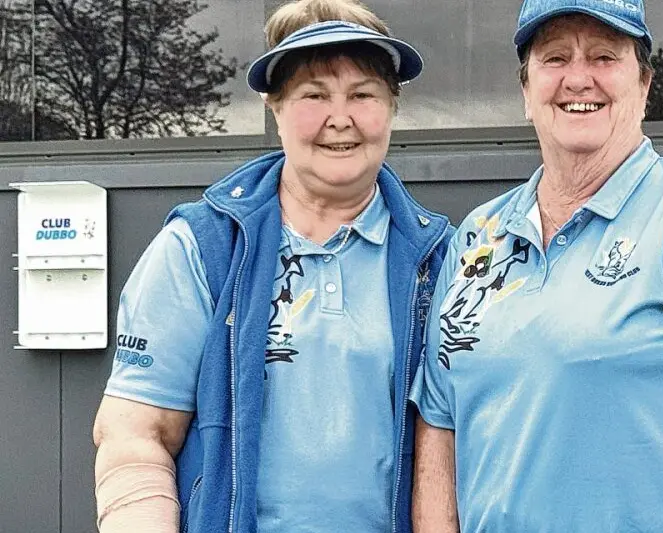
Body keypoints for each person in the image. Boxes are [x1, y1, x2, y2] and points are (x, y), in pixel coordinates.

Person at [411, 0, 663, 532]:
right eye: (554, 58)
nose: (578, 79)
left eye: (603, 56)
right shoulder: (479, 235)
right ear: (527, 91)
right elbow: (439, 422)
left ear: (643, 85)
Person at [92, 1, 452, 532]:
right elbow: (135, 435)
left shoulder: (442, 259)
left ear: (392, 108)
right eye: (313, 95)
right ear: (274, 106)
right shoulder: (201, 247)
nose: (341, 118)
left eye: (363, 94)